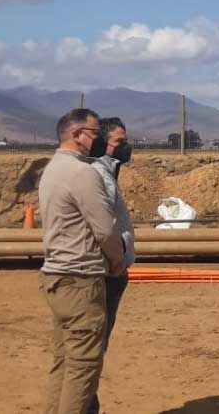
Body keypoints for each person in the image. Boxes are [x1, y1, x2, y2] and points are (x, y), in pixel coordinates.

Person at [39, 108, 126, 414]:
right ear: (77, 135)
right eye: (94, 133)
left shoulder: (53, 169)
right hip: (82, 280)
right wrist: (118, 259)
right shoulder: (82, 173)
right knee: (83, 368)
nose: (98, 139)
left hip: (58, 278)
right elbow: (105, 229)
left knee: (65, 362)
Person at [85, 117, 135, 414]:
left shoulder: (108, 172)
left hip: (112, 270)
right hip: (107, 271)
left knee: (96, 346)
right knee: (93, 347)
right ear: (103, 144)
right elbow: (103, 227)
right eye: (119, 142)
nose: (126, 147)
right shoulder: (99, 175)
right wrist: (116, 259)